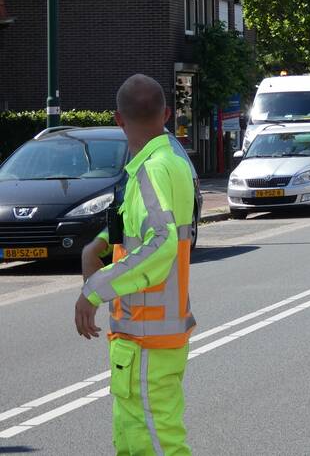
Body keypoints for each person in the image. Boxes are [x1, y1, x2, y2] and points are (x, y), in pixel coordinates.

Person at [76, 74, 196, 455]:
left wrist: (94, 291)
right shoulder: (166, 162)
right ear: (167, 114)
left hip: (148, 339)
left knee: (154, 445)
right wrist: (96, 246)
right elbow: (143, 232)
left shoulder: (151, 170)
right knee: (135, 441)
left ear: (118, 119)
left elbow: (159, 245)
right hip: (147, 338)